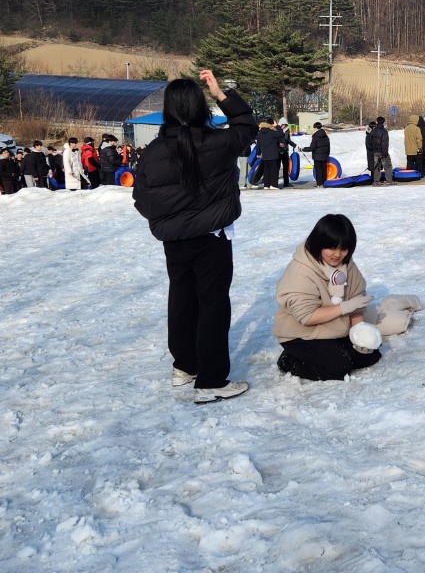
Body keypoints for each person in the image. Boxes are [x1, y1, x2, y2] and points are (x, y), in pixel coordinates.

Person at [133, 69, 257, 404]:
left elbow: (142, 200)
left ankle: (184, 366)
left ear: (168, 110)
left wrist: (170, 220)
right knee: (212, 305)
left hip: (175, 241)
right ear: (200, 107)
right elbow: (247, 125)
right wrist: (220, 93)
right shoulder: (218, 142)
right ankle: (211, 380)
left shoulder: (153, 152)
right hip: (212, 238)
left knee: (182, 299)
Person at [273, 213, 381, 381]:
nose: (337, 254)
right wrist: (345, 307)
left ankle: (334, 351)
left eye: (343, 249)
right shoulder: (301, 271)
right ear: (318, 244)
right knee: (338, 368)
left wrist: (359, 332)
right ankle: (289, 360)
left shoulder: (348, 266)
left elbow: (357, 302)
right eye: (331, 248)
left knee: (369, 355)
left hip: (334, 329)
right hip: (301, 334)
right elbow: (307, 317)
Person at [256, 119, 284, 190]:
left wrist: (258, 153)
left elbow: (258, 145)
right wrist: (277, 126)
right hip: (273, 154)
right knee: (273, 170)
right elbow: (281, 134)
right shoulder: (271, 132)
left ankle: (266, 185)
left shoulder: (260, 134)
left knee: (266, 170)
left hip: (265, 154)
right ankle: (273, 184)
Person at [301, 121, 331, 187]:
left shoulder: (315, 136)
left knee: (318, 170)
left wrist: (303, 149)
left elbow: (312, 147)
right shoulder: (326, 136)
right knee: (324, 170)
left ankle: (319, 184)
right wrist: (327, 154)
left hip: (317, 156)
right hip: (324, 156)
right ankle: (324, 183)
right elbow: (328, 146)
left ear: (315, 128)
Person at [368, 117, 394, 184]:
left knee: (377, 166)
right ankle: (389, 180)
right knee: (388, 166)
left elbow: (370, 141)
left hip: (375, 152)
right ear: (383, 122)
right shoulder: (384, 131)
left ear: (377, 121)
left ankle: (376, 181)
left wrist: (374, 150)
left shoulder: (373, 131)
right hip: (383, 151)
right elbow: (384, 143)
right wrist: (385, 153)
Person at [277, 120, 293, 188]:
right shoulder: (276, 130)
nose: (284, 126)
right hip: (278, 151)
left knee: (286, 168)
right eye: (282, 124)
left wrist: (293, 144)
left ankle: (286, 182)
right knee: (277, 167)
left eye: (285, 124)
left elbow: (288, 140)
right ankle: (275, 183)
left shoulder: (287, 131)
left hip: (285, 150)